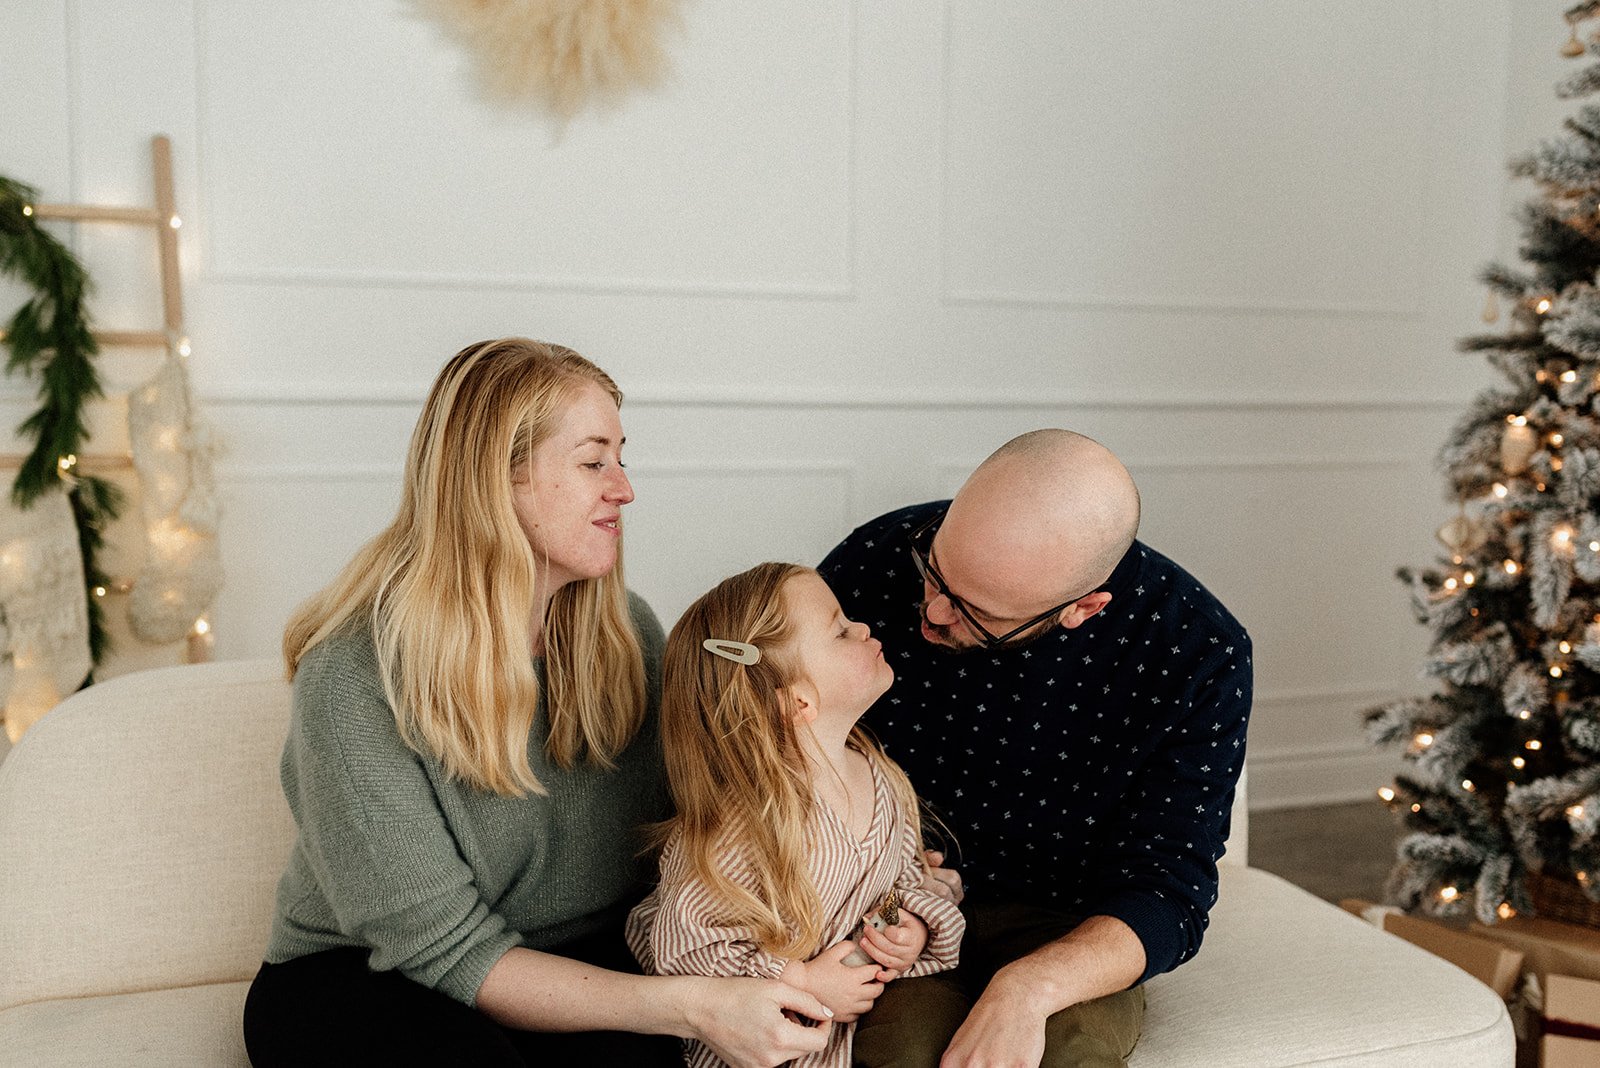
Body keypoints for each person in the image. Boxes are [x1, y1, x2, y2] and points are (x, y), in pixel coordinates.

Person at [242, 338, 835, 1067]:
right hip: (374, 981)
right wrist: (695, 1005)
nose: (624, 489)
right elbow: (444, 948)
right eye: (593, 462)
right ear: (499, 479)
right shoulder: (355, 677)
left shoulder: (627, 634)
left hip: (581, 963)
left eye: (622, 457)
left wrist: (875, 865)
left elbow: (711, 818)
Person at [819, 429, 1252, 1068]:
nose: (932, 615)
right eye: (935, 574)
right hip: (884, 894)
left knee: (1070, 1054)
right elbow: (778, 739)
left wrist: (1028, 988)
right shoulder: (883, 554)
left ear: (1083, 608)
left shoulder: (1195, 651)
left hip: (1069, 919)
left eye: (975, 612)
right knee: (899, 1054)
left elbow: (1168, 893)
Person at [626, 562, 966, 1068]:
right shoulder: (743, 829)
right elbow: (682, 951)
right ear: (797, 702)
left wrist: (908, 927)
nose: (864, 628)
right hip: (757, 1047)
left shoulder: (879, 777)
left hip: (842, 1040)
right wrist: (800, 980)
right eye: (840, 630)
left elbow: (902, 880)